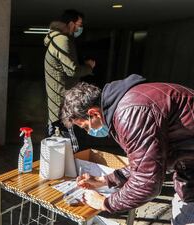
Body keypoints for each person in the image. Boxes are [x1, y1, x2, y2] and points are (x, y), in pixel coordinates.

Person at [60, 74, 194, 225]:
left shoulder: (131, 114)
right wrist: (103, 180)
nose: (88, 132)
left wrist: (105, 203)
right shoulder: (130, 102)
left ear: (94, 113)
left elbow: (146, 182)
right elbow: (147, 162)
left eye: (85, 127)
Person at [43, 9, 95, 152]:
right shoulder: (62, 40)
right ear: (71, 23)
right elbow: (72, 70)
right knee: (70, 147)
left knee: (59, 145)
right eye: (79, 24)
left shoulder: (56, 39)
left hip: (60, 102)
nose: (80, 28)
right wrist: (88, 67)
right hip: (65, 103)